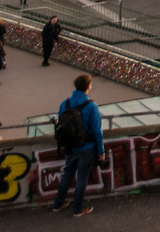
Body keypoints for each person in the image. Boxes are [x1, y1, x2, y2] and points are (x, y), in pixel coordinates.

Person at [51, 74, 104, 217]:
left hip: (70, 145)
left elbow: (61, 124)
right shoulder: (91, 105)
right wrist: (101, 151)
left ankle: (58, 203)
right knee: (82, 177)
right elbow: (97, 131)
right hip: (87, 147)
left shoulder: (65, 103)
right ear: (88, 86)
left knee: (67, 174)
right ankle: (78, 209)